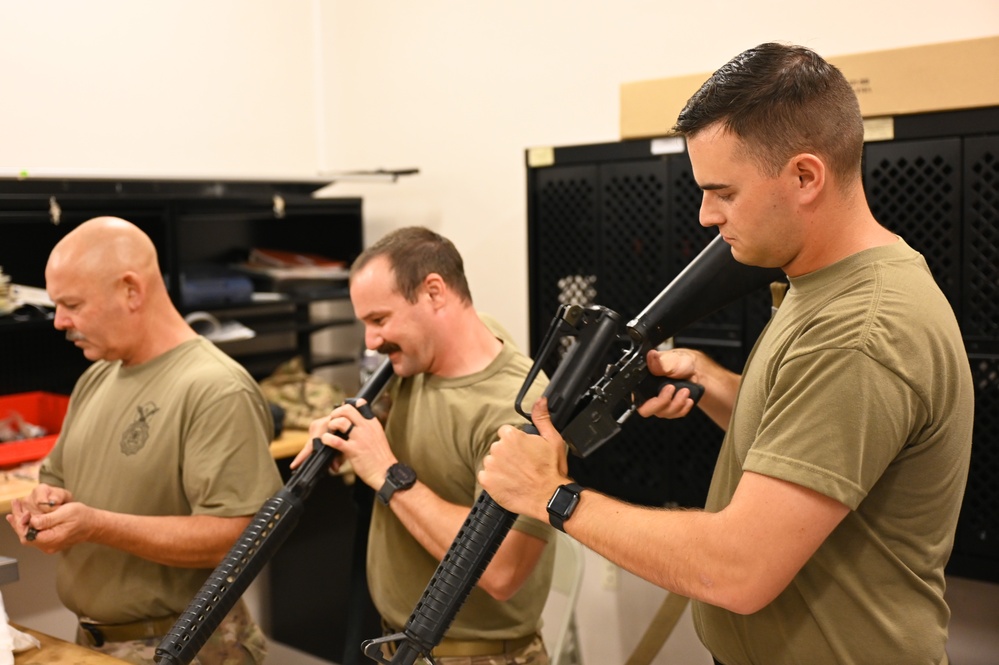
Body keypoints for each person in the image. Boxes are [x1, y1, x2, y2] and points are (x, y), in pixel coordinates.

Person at [478, 42, 974, 665]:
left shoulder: (860, 331)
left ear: (804, 176)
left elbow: (738, 569)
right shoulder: (821, 283)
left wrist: (553, 495)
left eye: (723, 192)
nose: (706, 215)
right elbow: (818, 439)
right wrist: (710, 380)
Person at [5, 216, 283, 665]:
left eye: (72, 304)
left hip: (186, 646)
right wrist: (45, 506)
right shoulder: (97, 376)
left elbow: (235, 538)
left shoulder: (215, 387)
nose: (59, 322)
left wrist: (96, 525)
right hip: (95, 641)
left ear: (131, 290)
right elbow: (57, 479)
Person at [296, 226, 554, 664]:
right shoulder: (428, 356)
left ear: (435, 292)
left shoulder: (520, 410)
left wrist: (388, 473)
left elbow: (502, 570)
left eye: (379, 320)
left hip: (474, 656)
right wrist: (357, 430)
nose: (371, 342)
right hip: (400, 644)